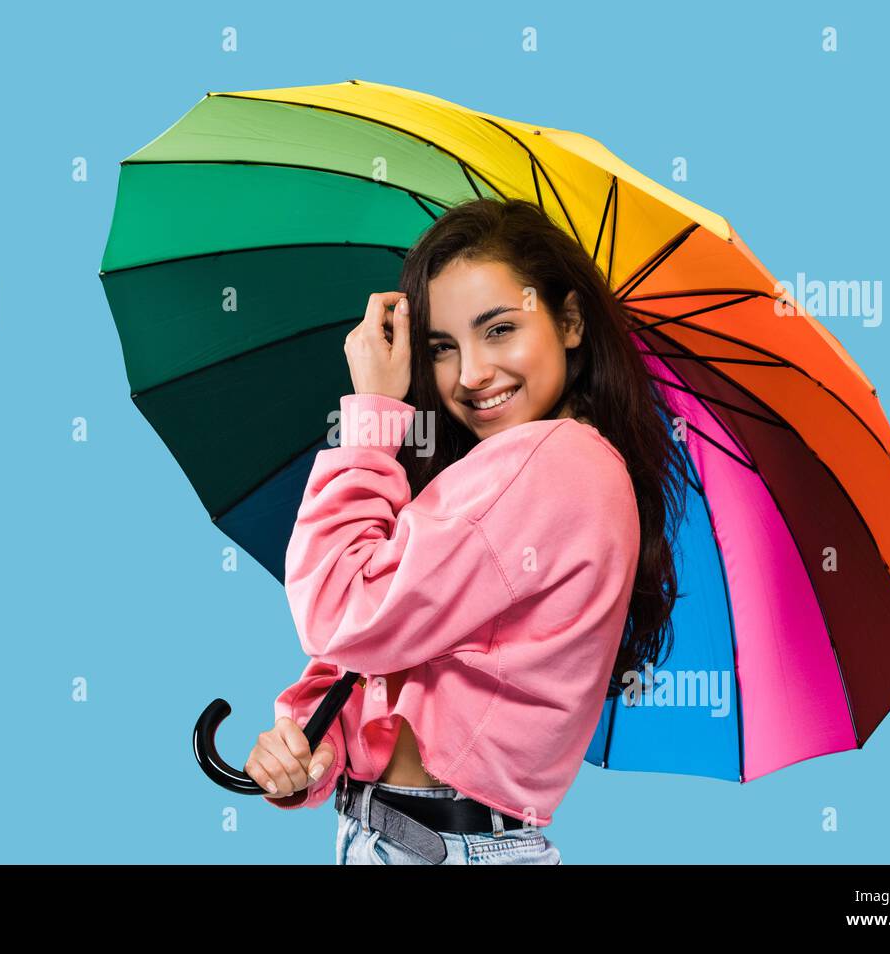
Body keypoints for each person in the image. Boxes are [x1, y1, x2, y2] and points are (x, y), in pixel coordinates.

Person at [245, 197, 688, 864]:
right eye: (441, 348)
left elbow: (337, 612)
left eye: (500, 329)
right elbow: (383, 651)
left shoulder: (553, 463)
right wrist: (312, 744)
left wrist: (372, 414)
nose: (472, 374)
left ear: (570, 321)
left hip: (437, 845)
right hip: (413, 837)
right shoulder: (510, 473)